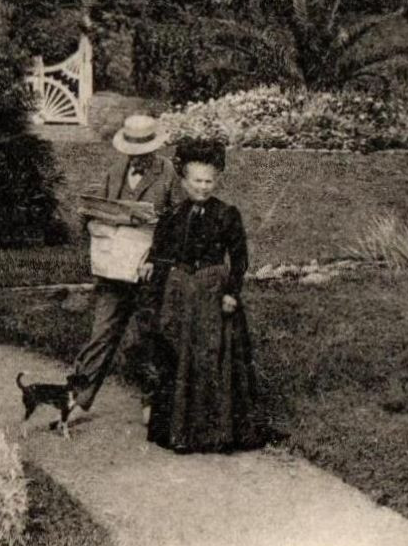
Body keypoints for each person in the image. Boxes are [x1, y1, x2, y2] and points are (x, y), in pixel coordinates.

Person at [142, 138, 264, 454]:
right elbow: (160, 252)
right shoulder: (173, 216)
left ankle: (219, 432)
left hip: (213, 294)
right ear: (183, 181)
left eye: (209, 181)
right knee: (180, 356)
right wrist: (152, 267)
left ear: (217, 180)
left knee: (215, 357)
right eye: (197, 181)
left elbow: (239, 259)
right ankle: (181, 432)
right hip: (181, 294)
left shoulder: (227, 215)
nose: (203, 187)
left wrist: (231, 293)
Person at [68, 114, 177, 413]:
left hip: (147, 271)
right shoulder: (115, 170)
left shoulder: (168, 174)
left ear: (155, 148)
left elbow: (177, 223)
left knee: (146, 336)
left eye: (144, 152)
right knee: (101, 332)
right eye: (132, 152)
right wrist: (90, 221)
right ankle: (78, 398)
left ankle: (151, 401)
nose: (137, 158)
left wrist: (157, 256)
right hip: (114, 269)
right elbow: (94, 207)